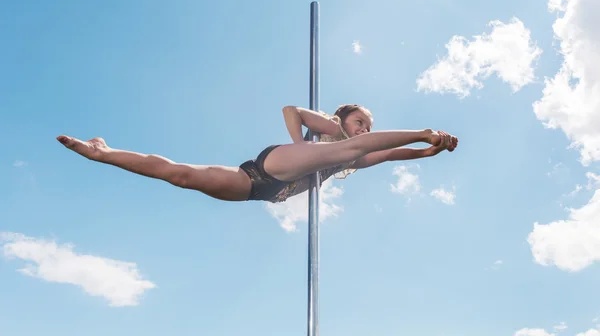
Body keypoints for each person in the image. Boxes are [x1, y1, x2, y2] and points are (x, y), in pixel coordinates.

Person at [56, 104, 458, 203]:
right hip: (280, 162)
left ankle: (103, 153)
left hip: (261, 188)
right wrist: (427, 133)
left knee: (181, 176)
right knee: (343, 151)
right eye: (360, 121)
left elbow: (389, 154)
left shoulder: (356, 153)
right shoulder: (335, 131)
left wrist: (432, 151)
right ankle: (103, 152)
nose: (365, 128)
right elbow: (293, 110)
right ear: (344, 117)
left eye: (370, 125)